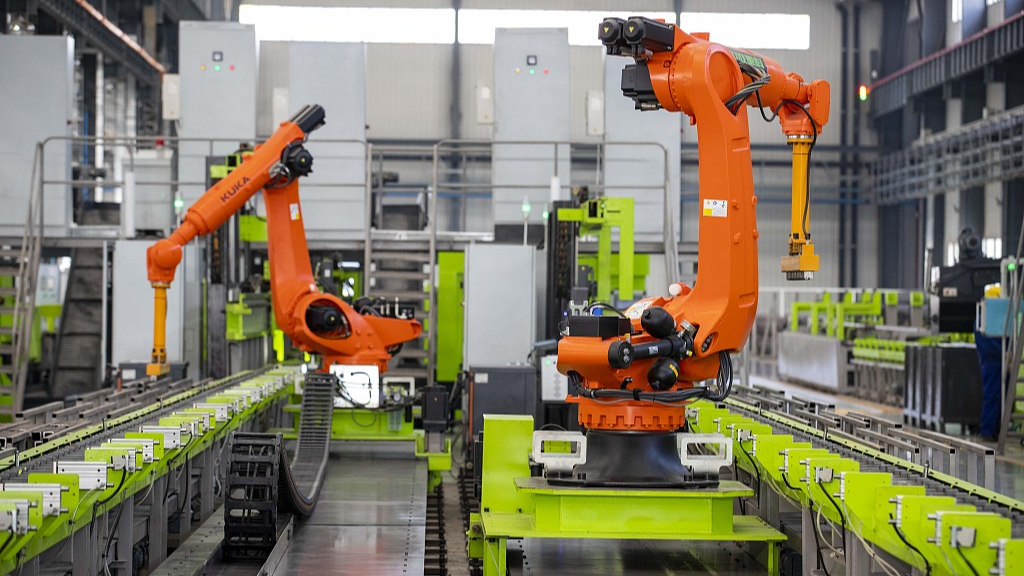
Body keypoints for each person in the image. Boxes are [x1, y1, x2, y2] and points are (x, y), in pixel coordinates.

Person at [975, 285, 1004, 442]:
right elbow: (989, 344)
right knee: (992, 396)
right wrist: (1005, 351)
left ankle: (995, 429)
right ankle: (987, 430)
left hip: (998, 363)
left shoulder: (991, 318)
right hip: (992, 364)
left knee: (999, 397)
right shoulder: (983, 319)